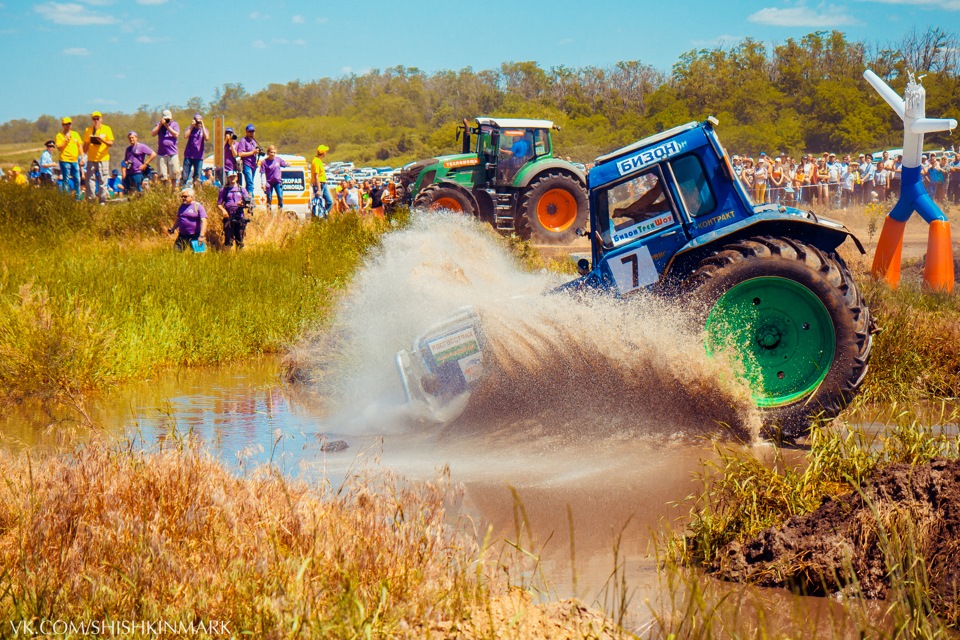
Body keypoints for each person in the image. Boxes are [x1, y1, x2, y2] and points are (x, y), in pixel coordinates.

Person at [82, 111, 114, 203]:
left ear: (101, 119)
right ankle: (91, 199)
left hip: (103, 158)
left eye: (98, 118)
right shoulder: (88, 130)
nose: (96, 121)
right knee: (90, 180)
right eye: (94, 119)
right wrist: (82, 157)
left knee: (102, 180)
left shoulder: (107, 129)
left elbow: (111, 143)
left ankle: (102, 200)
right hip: (91, 158)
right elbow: (86, 145)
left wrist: (102, 140)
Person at [218, 172, 248, 249]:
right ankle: (227, 258)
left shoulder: (242, 189)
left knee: (240, 240)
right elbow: (219, 204)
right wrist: (223, 211)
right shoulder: (224, 190)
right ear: (228, 178)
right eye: (230, 176)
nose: (232, 178)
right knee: (228, 240)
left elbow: (248, 203)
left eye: (234, 176)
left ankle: (240, 257)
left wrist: (242, 204)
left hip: (239, 217)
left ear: (237, 177)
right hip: (228, 217)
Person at [151, 109, 180, 189]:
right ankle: (165, 190)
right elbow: (153, 133)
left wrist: (167, 126)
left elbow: (176, 134)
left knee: (174, 173)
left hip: (172, 153)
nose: (167, 120)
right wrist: (160, 124)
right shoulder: (159, 125)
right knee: (162, 175)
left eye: (168, 119)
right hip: (161, 154)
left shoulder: (174, 124)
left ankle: (174, 190)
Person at [56, 116, 83, 199]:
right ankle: (66, 197)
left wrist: (82, 157)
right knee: (66, 179)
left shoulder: (75, 134)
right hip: (64, 160)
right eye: (66, 124)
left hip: (75, 160)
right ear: (63, 125)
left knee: (77, 179)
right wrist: (66, 140)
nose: (68, 126)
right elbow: (59, 147)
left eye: (69, 124)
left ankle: (77, 197)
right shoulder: (59, 136)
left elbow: (80, 146)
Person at [180, 113, 209, 188]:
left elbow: (207, 138)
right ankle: (182, 188)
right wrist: (192, 126)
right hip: (188, 155)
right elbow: (185, 136)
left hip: (199, 157)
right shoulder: (190, 128)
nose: (198, 123)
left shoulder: (204, 130)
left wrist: (202, 125)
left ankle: (196, 191)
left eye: (200, 121)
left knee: (197, 176)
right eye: (197, 121)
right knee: (185, 175)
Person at [259, 145, 289, 213]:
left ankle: (280, 211)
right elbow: (262, 173)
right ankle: (269, 212)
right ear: (268, 153)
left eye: (274, 152)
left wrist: (288, 164)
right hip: (269, 182)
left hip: (277, 182)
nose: (273, 154)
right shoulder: (264, 162)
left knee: (280, 196)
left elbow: (284, 164)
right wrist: (263, 184)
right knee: (269, 198)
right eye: (271, 152)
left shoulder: (278, 159)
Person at [234, 124, 260, 196]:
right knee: (250, 183)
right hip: (247, 164)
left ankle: (246, 198)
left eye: (253, 131)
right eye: (250, 131)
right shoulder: (243, 141)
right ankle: (251, 201)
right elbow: (240, 154)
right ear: (246, 132)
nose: (251, 133)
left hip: (253, 165)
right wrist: (252, 152)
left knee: (250, 183)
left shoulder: (254, 141)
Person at [310, 144, 334, 217]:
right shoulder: (316, 162)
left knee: (328, 202)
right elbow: (316, 176)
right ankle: (320, 217)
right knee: (320, 203)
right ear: (323, 153)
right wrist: (319, 190)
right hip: (319, 184)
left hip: (323, 184)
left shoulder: (318, 161)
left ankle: (322, 215)